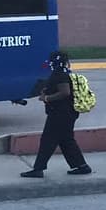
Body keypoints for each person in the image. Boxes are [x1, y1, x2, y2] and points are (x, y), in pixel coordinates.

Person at [20, 50, 92, 179]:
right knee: (66, 140)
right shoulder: (64, 72)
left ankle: (38, 169)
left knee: (48, 140)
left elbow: (65, 92)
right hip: (67, 113)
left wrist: (47, 98)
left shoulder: (59, 74)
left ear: (55, 62)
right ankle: (82, 166)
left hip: (60, 114)